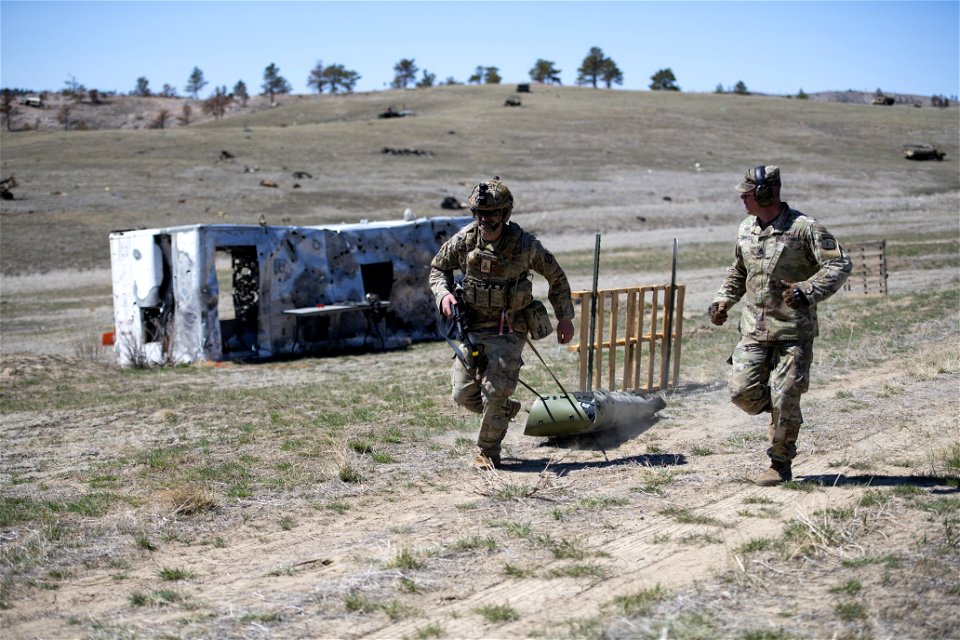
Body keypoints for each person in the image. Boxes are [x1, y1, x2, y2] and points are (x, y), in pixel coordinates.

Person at [709, 166, 851, 486]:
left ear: (765, 193)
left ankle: (780, 462)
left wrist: (808, 291)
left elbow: (840, 263)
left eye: (747, 194)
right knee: (741, 393)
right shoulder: (746, 228)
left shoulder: (806, 228)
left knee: (787, 396)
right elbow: (738, 271)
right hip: (754, 330)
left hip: (793, 331)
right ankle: (778, 411)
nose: (742, 200)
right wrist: (722, 301)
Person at [430, 178, 576, 469]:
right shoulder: (465, 240)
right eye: (481, 214)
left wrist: (564, 317)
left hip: (509, 328)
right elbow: (438, 268)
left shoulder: (524, 245)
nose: (486, 219)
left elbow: (556, 276)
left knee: (494, 391)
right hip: (472, 327)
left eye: (493, 213)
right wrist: (443, 294)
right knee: (462, 394)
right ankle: (503, 410)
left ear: (505, 213)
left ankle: (487, 451)